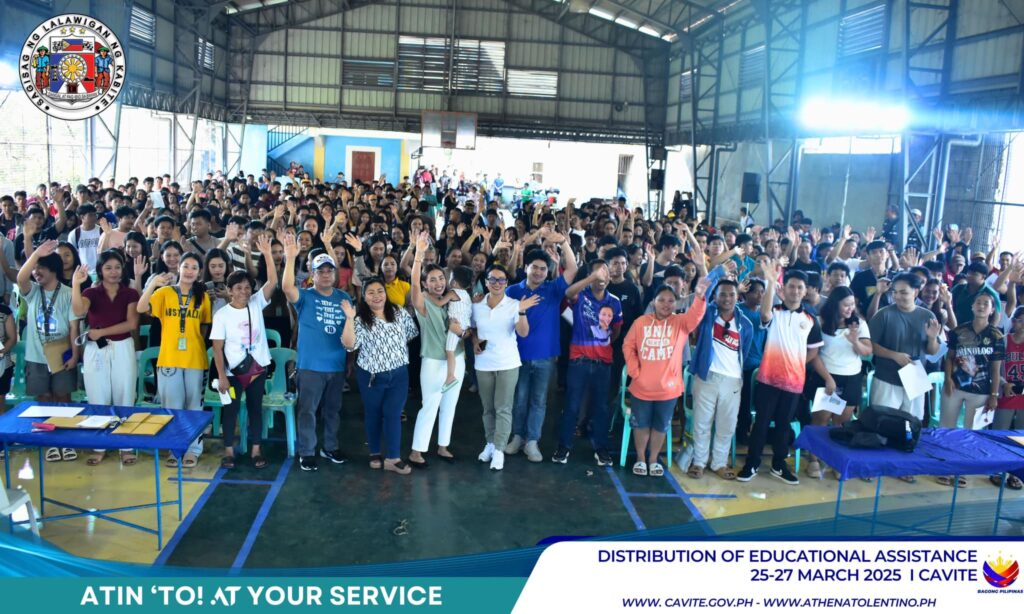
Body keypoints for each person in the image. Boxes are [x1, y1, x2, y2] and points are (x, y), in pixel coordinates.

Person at [737, 266, 829, 486]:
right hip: (768, 379)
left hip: (794, 383)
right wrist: (770, 282)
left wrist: (796, 363)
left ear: (805, 291)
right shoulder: (775, 312)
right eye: (791, 286)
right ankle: (752, 463)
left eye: (799, 287)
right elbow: (764, 315)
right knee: (761, 423)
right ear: (784, 289)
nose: (795, 291)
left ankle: (779, 464)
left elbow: (814, 350)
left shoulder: (810, 319)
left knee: (783, 425)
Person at [281, 232, 352, 472]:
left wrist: (349, 361)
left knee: (333, 411)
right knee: (308, 411)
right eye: (320, 271)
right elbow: (286, 287)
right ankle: (307, 451)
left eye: (329, 270)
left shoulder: (345, 298)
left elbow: (350, 331)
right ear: (312, 275)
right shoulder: (305, 296)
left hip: (336, 365)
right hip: (310, 366)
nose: (326, 274)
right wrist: (290, 257)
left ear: (335, 274)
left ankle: (330, 447)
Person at [623, 279, 710, 476]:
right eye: (661, 300)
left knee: (661, 425)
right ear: (653, 302)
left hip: (668, 390)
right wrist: (634, 371)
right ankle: (640, 458)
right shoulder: (640, 322)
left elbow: (696, 315)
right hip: (641, 388)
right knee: (641, 424)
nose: (666, 304)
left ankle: (653, 459)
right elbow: (628, 345)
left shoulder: (681, 323)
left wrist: (699, 296)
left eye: (671, 301)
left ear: (676, 303)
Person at [136, 252, 211, 468]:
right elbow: (141, 308)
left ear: (199, 272)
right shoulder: (165, 293)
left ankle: (193, 450)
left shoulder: (203, 297)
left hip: (195, 359)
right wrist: (153, 284)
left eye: (194, 268)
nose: (189, 271)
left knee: (194, 407)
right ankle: (175, 448)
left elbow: (204, 326)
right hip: (169, 358)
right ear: (178, 268)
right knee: (172, 407)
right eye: (186, 266)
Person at [505, 237, 578, 462]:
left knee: (538, 401)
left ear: (548, 271)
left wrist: (564, 242)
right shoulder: (512, 291)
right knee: (519, 399)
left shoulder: (553, 289)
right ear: (525, 267)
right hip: (517, 357)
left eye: (543, 269)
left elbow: (573, 269)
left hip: (546, 357)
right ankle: (517, 436)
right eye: (534, 267)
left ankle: (532, 441)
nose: (538, 272)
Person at [211, 235, 277, 470]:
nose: (244, 291)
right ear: (229, 291)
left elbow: (272, 281)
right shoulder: (222, 315)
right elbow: (217, 349)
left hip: (257, 368)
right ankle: (229, 451)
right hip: (232, 373)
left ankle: (256, 450)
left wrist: (267, 254)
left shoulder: (257, 303)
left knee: (255, 409)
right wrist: (221, 376)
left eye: (247, 287)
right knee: (230, 411)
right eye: (238, 288)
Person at [340, 278, 419, 475]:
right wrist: (349, 318)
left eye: (380, 291)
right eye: (371, 292)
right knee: (373, 414)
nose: (376, 296)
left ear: (386, 293)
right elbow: (349, 345)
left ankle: (393, 458)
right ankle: (374, 453)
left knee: (393, 414)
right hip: (371, 376)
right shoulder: (359, 320)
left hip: (399, 375)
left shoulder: (399, 312)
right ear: (364, 297)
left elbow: (411, 334)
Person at [70, 251, 141, 466]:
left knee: (125, 396)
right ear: (100, 270)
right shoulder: (91, 292)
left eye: (117, 267)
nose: (113, 272)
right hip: (96, 350)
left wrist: (101, 332)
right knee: (97, 396)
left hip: (122, 347)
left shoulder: (130, 293)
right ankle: (99, 446)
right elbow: (78, 310)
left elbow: (131, 324)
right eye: (108, 268)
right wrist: (76, 284)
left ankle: (125, 447)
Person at [553, 260, 623, 466]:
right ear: (590, 276)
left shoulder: (614, 302)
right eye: (598, 273)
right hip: (579, 361)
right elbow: (568, 293)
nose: (602, 277)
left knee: (601, 408)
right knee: (572, 405)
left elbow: (616, 330)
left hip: (603, 363)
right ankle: (564, 446)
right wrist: (592, 277)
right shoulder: (581, 296)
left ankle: (601, 448)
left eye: (605, 273)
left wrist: (603, 344)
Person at [687, 272, 755, 481]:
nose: (727, 298)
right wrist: (717, 271)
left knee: (726, 425)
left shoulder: (746, 325)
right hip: (706, 377)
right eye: (722, 294)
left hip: (732, 381)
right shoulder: (707, 314)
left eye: (731, 294)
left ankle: (719, 463)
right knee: (701, 422)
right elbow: (703, 292)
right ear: (715, 296)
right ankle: (699, 462)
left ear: (738, 296)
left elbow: (744, 352)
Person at [17, 240, 80, 463]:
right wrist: (35, 255)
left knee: (63, 398)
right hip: (36, 357)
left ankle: (66, 440)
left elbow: (74, 328)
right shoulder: (33, 292)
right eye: (35, 268)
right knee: (43, 398)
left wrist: (75, 355)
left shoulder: (68, 293)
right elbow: (20, 278)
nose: (36, 272)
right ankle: (49, 442)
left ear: (53, 269)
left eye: (41, 268)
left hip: (62, 355)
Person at [471, 265, 539, 471]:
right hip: (483, 363)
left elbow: (523, 332)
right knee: (488, 408)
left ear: (506, 283)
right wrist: (474, 340)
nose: (497, 283)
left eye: (501, 280)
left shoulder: (514, 304)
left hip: (507, 363)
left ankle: (499, 449)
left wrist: (521, 310)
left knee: (503, 407)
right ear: (486, 282)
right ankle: (490, 444)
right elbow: (473, 328)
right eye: (492, 279)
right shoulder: (477, 304)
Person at [409, 232, 466, 467]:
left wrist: (462, 332)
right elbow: (413, 283)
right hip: (433, 361)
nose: (438, 283)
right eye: (432, 280)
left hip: (458, 359)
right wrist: (419, 255)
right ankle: (416, 452)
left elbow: (466, 328)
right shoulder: (422, 302)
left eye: (441, 278)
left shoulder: (453, 299)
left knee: (449, 405)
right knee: (430, 405)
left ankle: (443, 446)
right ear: (425, 284)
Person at [806, 286, 872, 479]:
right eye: (846, 305)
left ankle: (836, 460)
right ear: (835, 304)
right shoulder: (820, 322)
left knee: (842, 423)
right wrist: (828, 379)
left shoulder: (859, 324)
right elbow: (814, 355)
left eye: (852, 305)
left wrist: (855, 341)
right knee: (821, 419)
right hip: (826, 376)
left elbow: (867, 351)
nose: (850, 309)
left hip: (851, 377)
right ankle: (813, 459)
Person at [940, 293, 1004, 487]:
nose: (981, 306)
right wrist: (947, 378)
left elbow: (996, 369)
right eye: (978, 302)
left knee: (972, 435)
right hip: (955, 387)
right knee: (946, 430)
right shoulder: (958, 331)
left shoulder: (996, 336)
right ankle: (944, 468)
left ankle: (963, 473)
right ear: (972, 306)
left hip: (981, 392)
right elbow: (950, 357)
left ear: (992, 310)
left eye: (986, 303)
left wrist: (994, 395)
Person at [442, 266, 474, 393]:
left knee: (449, 351)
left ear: (454, 282)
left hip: (455, 327)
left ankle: (450, 377)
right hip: (464, 326)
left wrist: (427, 296)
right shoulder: (467, 295)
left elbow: (439, 303)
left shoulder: (452, 292)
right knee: (454, 350)